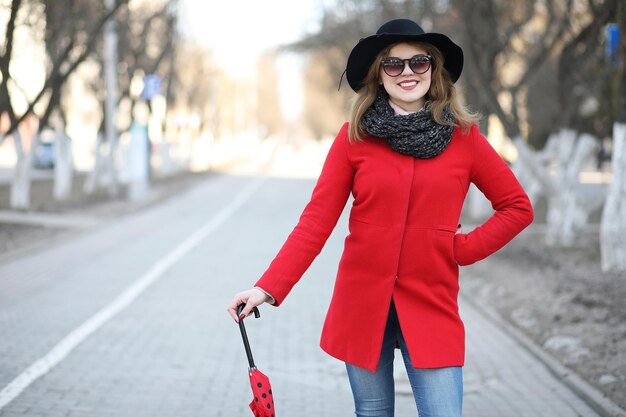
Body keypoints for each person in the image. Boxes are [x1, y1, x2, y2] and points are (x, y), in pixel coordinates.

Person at [228, 18, 534, 417]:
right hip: (362, 304)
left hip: (431, 302)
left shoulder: (464, 138)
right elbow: (316, 222)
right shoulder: (353, 138)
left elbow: (517, 207)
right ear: (379, 75)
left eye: (419, 62)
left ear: (434, 69)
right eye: (394, 64)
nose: (407, 73)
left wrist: (461, 248)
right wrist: (266, 288)